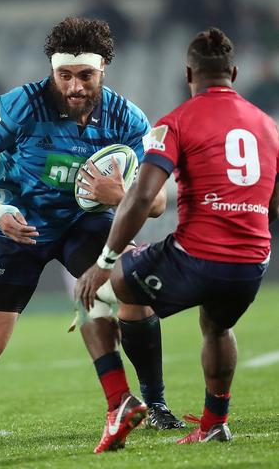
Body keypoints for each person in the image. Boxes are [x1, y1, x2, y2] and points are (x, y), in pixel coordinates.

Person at [0, 17, 180, 453]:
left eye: (85, 75)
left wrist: (119, 193)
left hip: (82, 226)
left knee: (132, 289)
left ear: (104, 68)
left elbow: (159, 200)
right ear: (52, 71)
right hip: (16, 227)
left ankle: (155, 403)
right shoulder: (20, 105)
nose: (73, 87)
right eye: (64, 75)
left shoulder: (128, 118)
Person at [75, 27, 279, 445]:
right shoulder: (269, 127)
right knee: (217, 327)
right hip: (252, 263)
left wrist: (104, 263)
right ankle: (214, 423)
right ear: (234, 73)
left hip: (194, 257)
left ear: (188, 73)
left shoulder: (175, 123)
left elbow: (141, 197)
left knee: (94, 294)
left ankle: (121, 404)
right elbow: (274, 207)